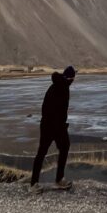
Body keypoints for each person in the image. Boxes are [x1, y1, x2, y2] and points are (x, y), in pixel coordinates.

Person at [29, 65, 76, 193]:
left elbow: (47, 108)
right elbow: (55, 110)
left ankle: (37, 182)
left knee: (51, 150)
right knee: (47, 151)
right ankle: (52, 181)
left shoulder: (56, 85)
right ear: (71, 78)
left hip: (50, 125)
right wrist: (59, 126)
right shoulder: (63, 88)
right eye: (73, 78)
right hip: (52, 126)